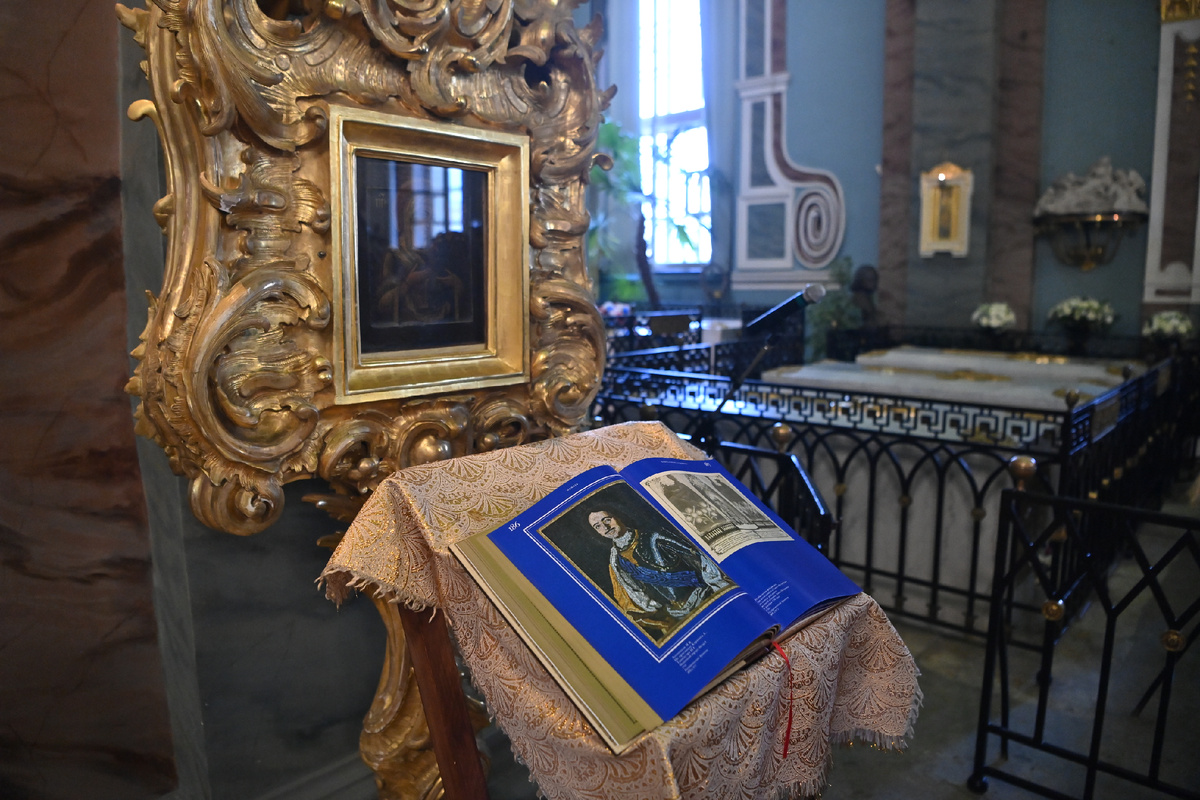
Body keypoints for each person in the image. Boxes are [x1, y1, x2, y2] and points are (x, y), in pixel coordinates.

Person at [587, 509, 732, 642]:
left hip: (705, 597)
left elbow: (698, 556)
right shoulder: (616, 560)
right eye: (598, 526)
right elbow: (636, 593)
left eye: (607, 520)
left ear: (618, 516)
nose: (605, 527)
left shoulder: (653, 536)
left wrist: (719, 587)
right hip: (676, 615)